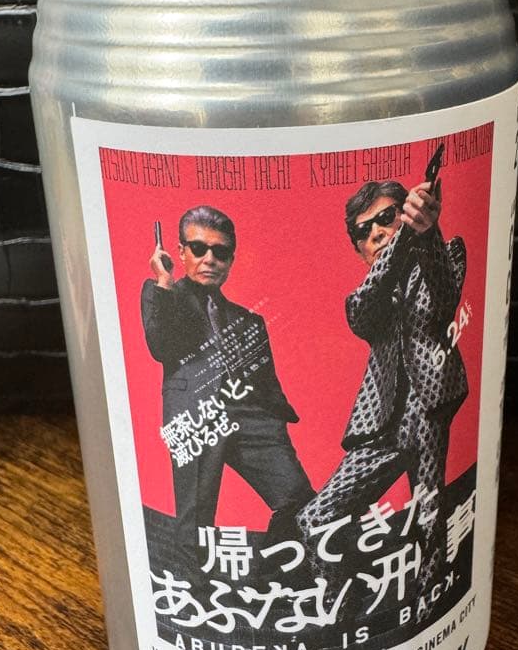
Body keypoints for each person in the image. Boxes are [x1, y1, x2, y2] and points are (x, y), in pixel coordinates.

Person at [294, 178, 468, 601]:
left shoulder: (445, 252)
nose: (375, 232)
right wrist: (402, 237)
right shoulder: (366, 296)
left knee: (428, 511)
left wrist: (424, 234)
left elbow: (444, 298)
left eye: (387, 218)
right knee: (314, 518)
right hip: (381, 423)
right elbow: (362, 314)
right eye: (363, 230)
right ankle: (346, 597)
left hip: (429, 404)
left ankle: (429, 596)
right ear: (358, 249)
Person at [141, 205, 314, 569]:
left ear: (231, 260)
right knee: (195, 520)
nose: (210, 259)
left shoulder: (249, 320)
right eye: (198, 248)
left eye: (220, 252)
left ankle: (270, 569)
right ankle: (193, 586)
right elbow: (160, 346)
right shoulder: (163, 294)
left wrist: (274, 423)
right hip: (197, 415)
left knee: (299, 498)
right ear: (181, 251)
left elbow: (266, 380)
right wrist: (163, 280)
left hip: (251, 419)